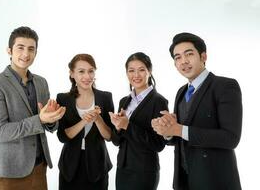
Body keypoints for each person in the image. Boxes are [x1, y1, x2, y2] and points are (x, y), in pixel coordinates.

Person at [152, 32, 242, 190]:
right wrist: (167, 131)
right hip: (185, 180)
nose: (183, 61)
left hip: (215, 181)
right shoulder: (181, 92)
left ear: (203, 56)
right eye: (177, 57)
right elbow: (180, 137)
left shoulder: (225, 86)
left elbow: (230, 138)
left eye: (189, 54)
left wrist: (179, 129)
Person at [0, 26, 66, 190]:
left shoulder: (41, 82)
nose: (26, 54)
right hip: (9, 173)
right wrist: (40, 119)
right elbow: (0, 132)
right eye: (20, 48)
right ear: (9, 50)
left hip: (39, 170)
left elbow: (47, 124)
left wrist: (52, 120)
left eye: (31, 49)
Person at [109, 52, 168, 190]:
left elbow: (159, 144)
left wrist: (127, 126)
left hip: (144, 171)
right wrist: (118, 127)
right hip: (123, 168)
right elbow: (117, 141)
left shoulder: (158, 101)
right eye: (131, 70)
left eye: (141, 70)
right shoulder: (124, 101)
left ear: (150, 71)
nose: (136, 75)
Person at [56, 54, 114, 190]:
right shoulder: (63, 99)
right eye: (81, 71)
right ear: (72, 74)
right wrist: (84, 121)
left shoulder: (105, 97)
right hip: (70, 166)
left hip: (98, 165)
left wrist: (98, 120)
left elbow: (110, 136)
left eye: (91, 71)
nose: (87, 76)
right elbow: (62, 136)